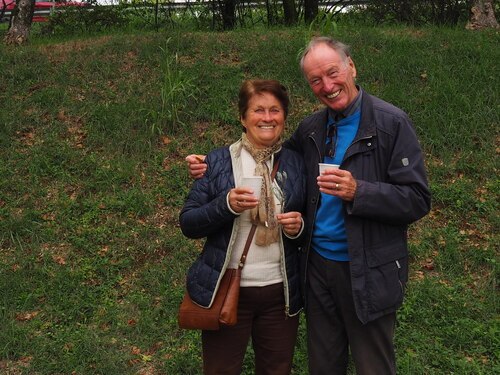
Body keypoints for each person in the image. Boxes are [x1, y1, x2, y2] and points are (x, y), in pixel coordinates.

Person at [186, 37, 431, 374]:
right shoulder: (312, 128)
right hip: (316, 268)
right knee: (323, 364)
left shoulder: (391, 123)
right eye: (316, 80)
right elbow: (270, 153)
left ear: (352, 67)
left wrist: (359, 190)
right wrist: (208, 165)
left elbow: (417, 199)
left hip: (366, 267)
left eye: (333, 73)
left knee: (373, 365)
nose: (327, 86)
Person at [179, 79, 307, 375]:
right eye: (258, 110)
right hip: (227, 288)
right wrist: (225, 205)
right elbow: (189, 223)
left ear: (284, 117)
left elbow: (311, 223)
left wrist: (297, 227)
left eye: (275, 110)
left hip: (280, 293)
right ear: (242, 117)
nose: (267, 117)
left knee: (276, 369)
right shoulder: (219, 162)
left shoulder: (296, 163)